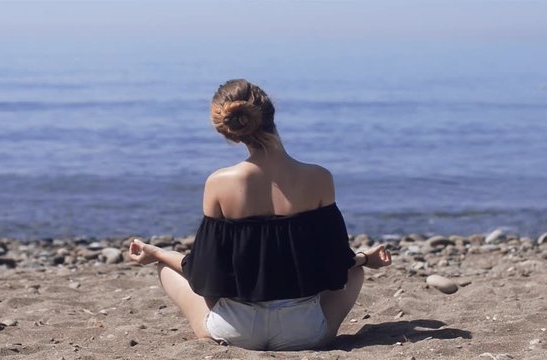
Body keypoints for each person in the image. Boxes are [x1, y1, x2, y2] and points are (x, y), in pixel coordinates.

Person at [129, 79, 392, 351]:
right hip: (304, 331)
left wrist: (157, 253)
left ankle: (210, 329)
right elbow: (335, 266)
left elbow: (205, 275)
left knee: (166, 268)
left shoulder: (219, 182)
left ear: (229, 131)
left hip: (236, 330)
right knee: (357, 271)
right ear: (270, 114)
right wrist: (363, 258)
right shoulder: (319, 177)